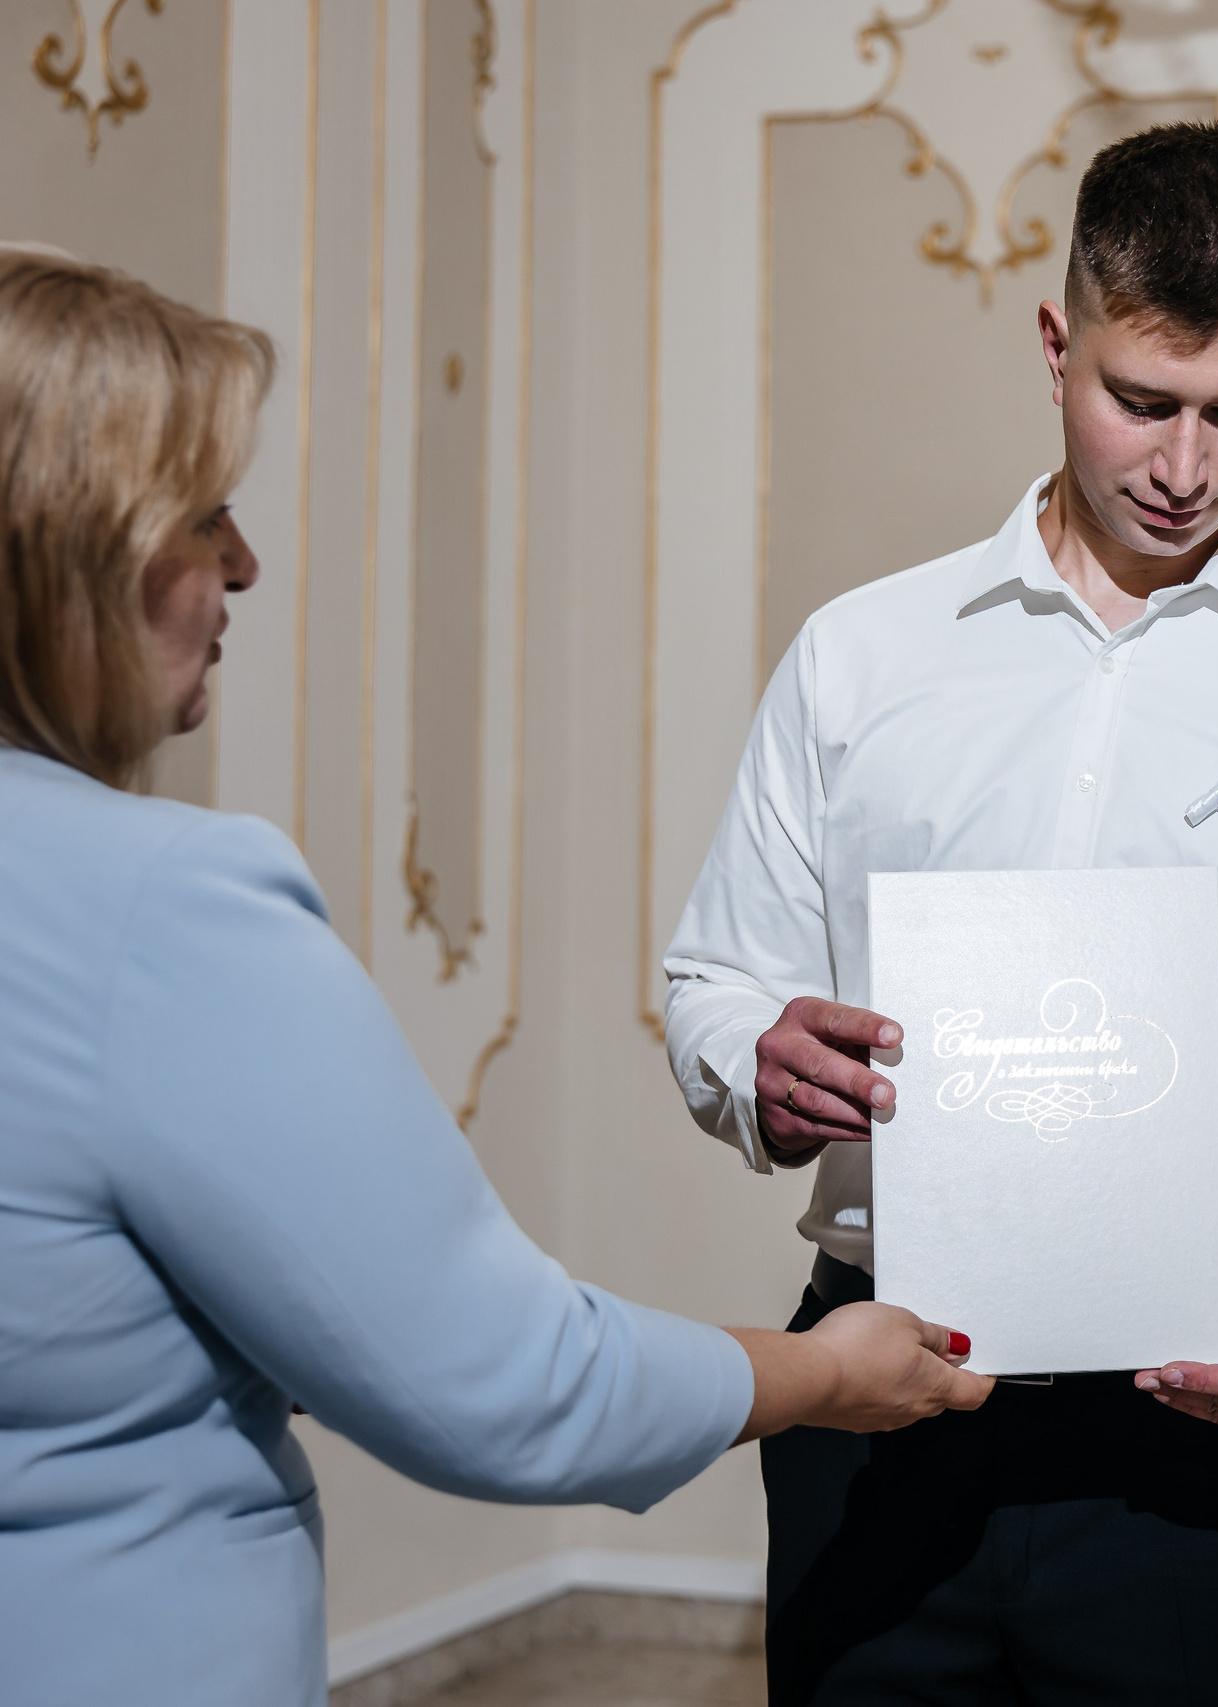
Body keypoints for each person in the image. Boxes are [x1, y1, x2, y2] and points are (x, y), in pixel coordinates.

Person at [0, 251, 993, 1707]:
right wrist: (831, 1374)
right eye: (209, 515)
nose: (245, 564)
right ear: (86, 551)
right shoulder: (162, 905)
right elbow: (511, 1384)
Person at [662, 121, 1218, 1705]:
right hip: (878, 1387)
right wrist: (754, 1061)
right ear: (1055, 340)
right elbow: (721, 973)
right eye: (1138, 400)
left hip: (1214, 1427)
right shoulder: (862, 655)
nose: (1182, 465)